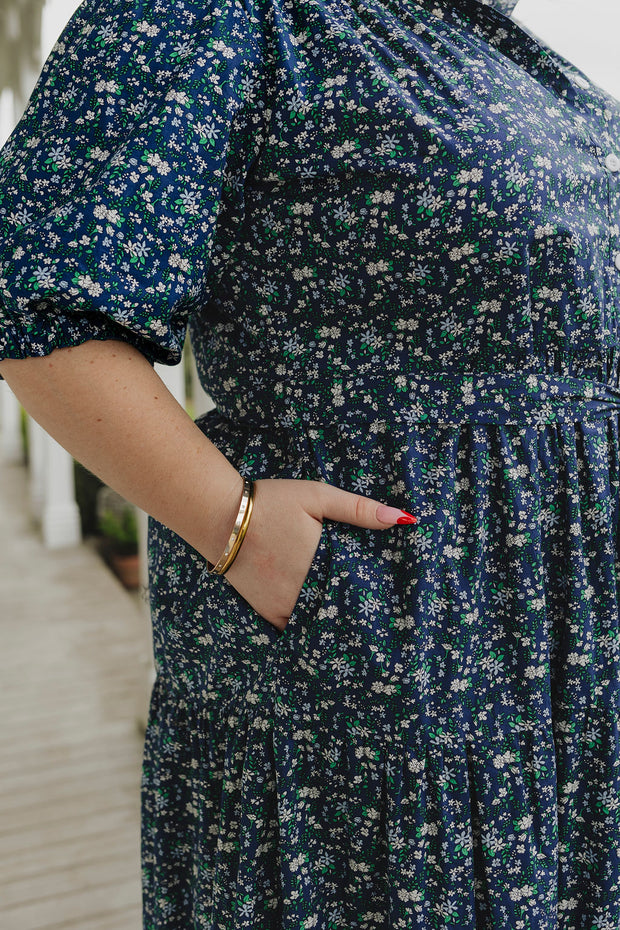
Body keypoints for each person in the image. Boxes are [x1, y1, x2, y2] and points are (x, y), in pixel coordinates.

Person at [1, 0, 619, 925]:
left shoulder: (488, 39)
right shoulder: (218, 12)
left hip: (562, 647)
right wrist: (239, 526)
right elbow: (40, 308)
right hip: (388, 645)